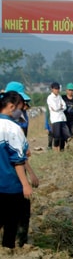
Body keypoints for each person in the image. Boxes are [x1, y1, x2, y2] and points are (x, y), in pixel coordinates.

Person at [0, 91, 33, 248]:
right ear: (12, 106)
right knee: (11, 223)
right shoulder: (13, 128)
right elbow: (18, 160)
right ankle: (8, 250)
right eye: (21, 107)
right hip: (10, 185)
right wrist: (25, 184)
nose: (22, 111)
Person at [47, 81, 70, 152]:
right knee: (56, 136)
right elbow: (55, 107)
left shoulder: (59, 97)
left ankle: (62, 150)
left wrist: (61, 107)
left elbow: (64, 106)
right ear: (52, 89)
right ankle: (56, 151)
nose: (57, 90)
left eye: (58, 89)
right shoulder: (50, 98)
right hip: (55, 119)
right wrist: (60, 107)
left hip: (62, 118)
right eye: (56, 89)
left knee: (65, 135)